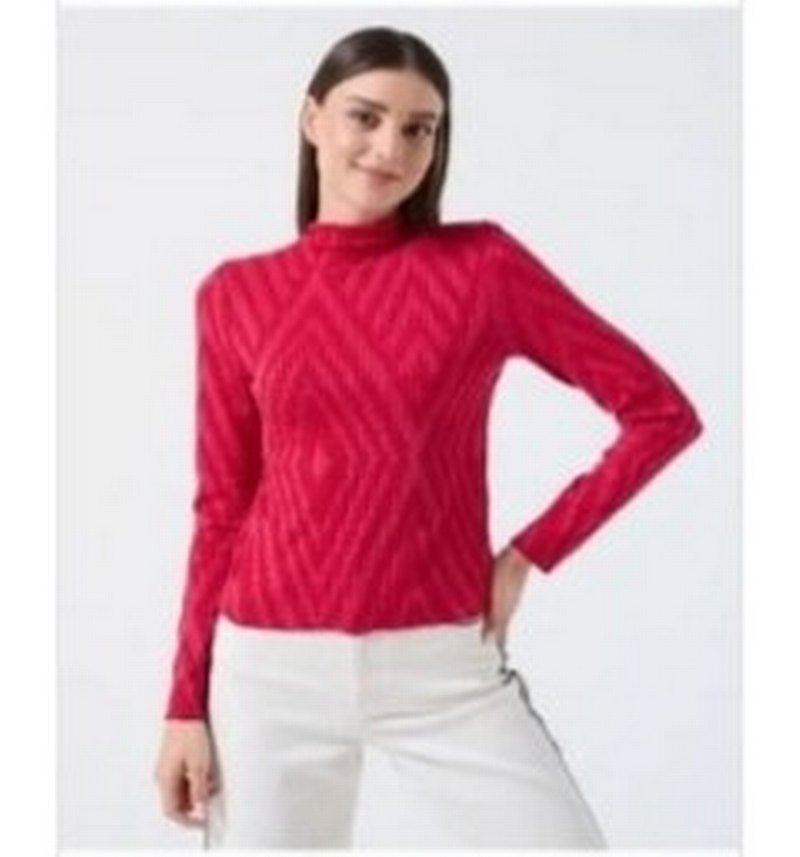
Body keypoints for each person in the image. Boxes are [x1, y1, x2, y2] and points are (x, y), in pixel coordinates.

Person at [153, 25, 703, 849]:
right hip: (266, 671)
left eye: (419, 128)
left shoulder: (482, 268)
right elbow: (223, 507)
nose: (390, 148)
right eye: (365, 117)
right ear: (311, 118)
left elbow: (660, 413)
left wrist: (528, 553)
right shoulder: (236, 295)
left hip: (442, 667)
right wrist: (184, 703)